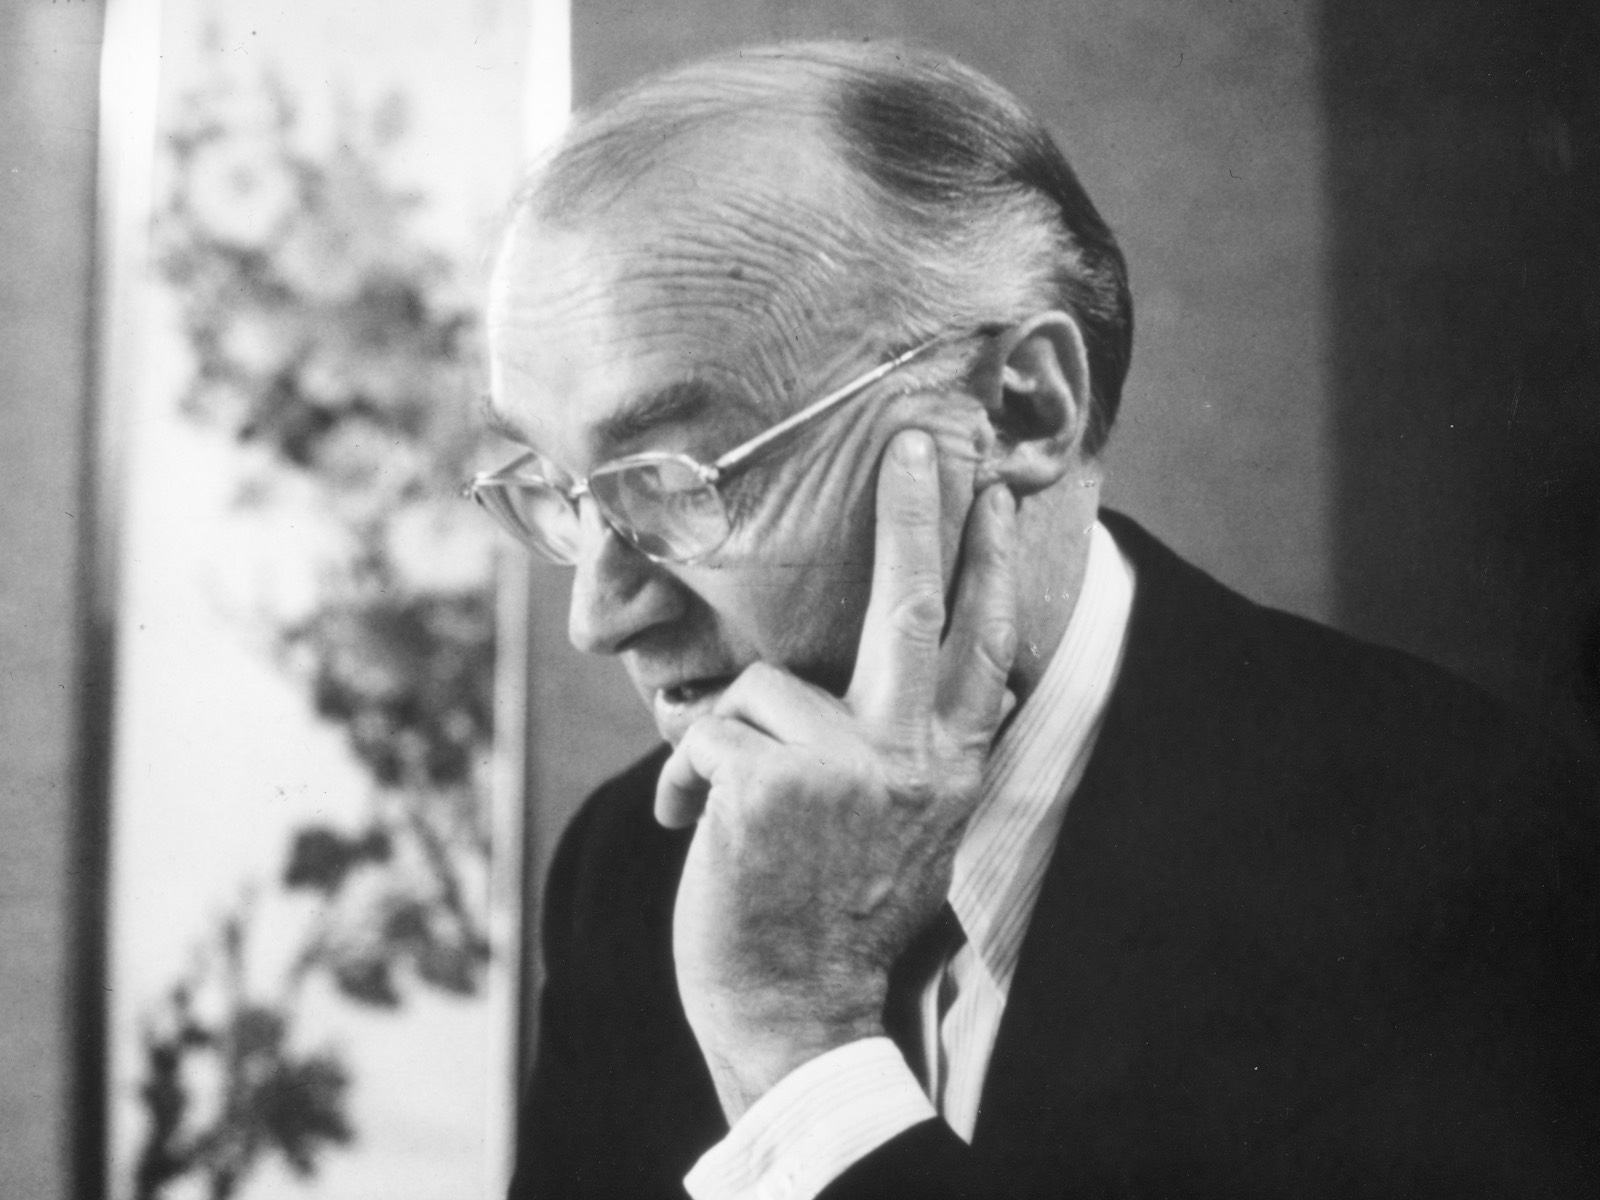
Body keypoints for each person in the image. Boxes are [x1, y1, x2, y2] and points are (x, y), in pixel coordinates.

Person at [469, 40, 1599, 1200]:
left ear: (1020, 410)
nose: (597, 616)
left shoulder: (1473, 858)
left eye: (678, 480)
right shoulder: (632, 863)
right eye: (558, 490)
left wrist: (796, 1051)